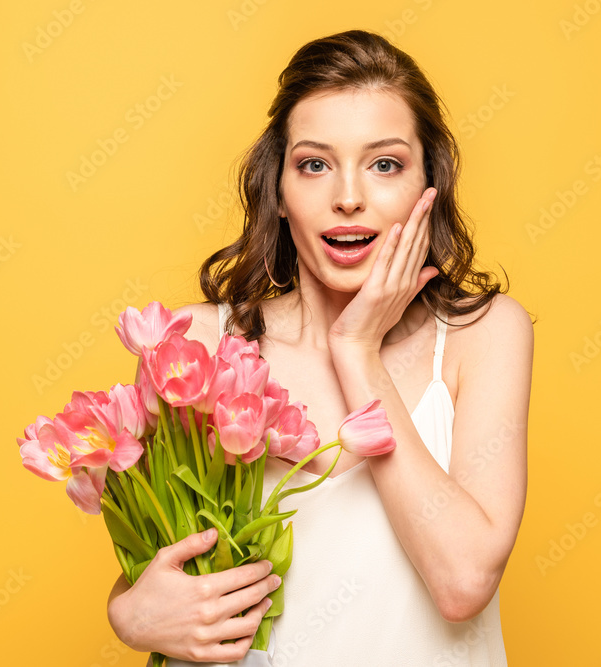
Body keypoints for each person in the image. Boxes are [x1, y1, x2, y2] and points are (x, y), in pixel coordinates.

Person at [107, 29, 533, 665]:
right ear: (278, 191)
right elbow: (159, 562)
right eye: (314, 164)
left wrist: (356, 349)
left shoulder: (484, 334)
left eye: (384, 164)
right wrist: (128, 614)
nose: (348, 197)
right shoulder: (196, 344)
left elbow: (463, 581)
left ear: (429, 184)